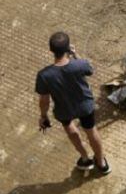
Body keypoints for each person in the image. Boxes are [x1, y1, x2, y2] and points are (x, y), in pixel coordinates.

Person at [35, 32, 110, 175]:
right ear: (68, 48)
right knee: (91, 131)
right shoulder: (79, 64)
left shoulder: (44, 75)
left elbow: (44, 100)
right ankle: (101, 163)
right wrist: (75, 55)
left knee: (70, 128)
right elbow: (90, 70)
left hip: (64, 110)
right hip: (84, 106)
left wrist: (43, 116)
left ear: (51, 50)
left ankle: (85, 158)